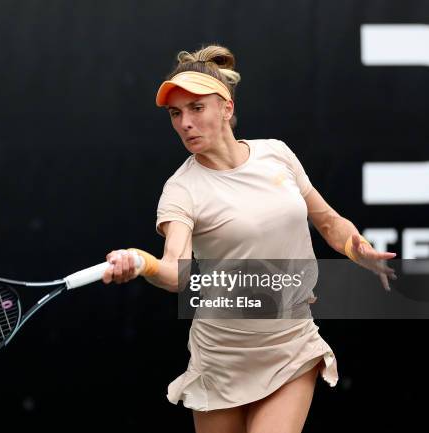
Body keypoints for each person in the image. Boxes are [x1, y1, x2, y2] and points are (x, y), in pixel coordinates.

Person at [102, 44, 397, 433]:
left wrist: (355, 248)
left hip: (290, 345)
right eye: (176, 113)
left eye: (196, 108)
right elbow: (177, 272)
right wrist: (142, 262)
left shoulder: (276, 154)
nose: (185, 123)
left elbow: (327, 222)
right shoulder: (181, 190)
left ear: (226, 108)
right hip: (220, 358)